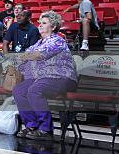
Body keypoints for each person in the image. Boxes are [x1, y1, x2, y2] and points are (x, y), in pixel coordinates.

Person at [13, 11, 77, 140]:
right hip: (42, 78)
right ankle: (31, 126)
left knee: (34, 90)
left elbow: (39, 55)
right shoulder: (38, 43)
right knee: (18, 90)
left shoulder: (58, 40)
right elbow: (22, 59)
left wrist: (25, 56)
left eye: (44, 23)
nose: (40, 25)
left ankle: (46, 129)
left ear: (53, 27)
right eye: (39, 23)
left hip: (62, 78)